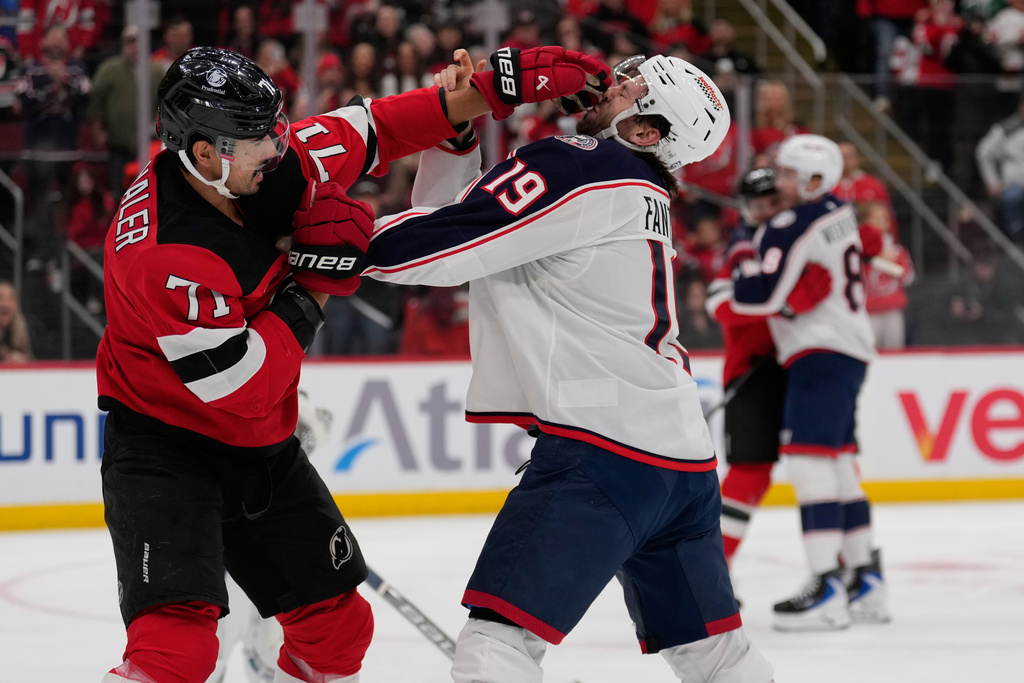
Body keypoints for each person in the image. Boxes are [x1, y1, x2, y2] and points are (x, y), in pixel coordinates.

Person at [96, 44, 610, 683]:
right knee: (176, 653)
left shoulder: (261, 161)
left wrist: (497, 89)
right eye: (259, 139)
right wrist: (313, 283)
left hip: (262, 449)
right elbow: (243, 387)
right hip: (165, 449)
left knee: (338, 634)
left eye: (275, 127)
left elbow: (381, 126)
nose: (279, 146)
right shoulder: (164, 253)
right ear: (205, 152)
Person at [354, 53, 774, 682]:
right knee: (713, 653)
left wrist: (312, 240)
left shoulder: (581, 164)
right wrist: (456, 131)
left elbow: (441, 247)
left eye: (634, 84)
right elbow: (465, 228)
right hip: (681, 461)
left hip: (600, 453)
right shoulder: (640, 189)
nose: (613, 79)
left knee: (498, 645)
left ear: (645, 131)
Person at [730, 134, 890, 631]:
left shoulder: (789, 222)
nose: (778, 188)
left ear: (814, 180)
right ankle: (866, 580)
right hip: (848, 347)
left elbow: (752, 298)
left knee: (810, 464)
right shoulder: (840, 208)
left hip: (819, 351)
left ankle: (827, 586)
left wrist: (770, 283)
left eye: (786, 177)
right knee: (839, 462)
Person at [705, 167, 832, 569]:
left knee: (824, 463)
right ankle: (713, 571)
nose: (765, 211)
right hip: (753, 375)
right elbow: (719, 305)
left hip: (804, 367)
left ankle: (846, 565)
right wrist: (785, 304)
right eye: (757, 204)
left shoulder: (797, 238)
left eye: (773, 202)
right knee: (750, 473)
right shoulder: (745, 248)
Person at [89, 25, 167, 202]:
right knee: (121, 194)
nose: (135, 47)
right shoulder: (109, 70)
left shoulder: (156, 71)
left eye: (139, 42)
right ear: (123, 44)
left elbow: (165, 104)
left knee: (149, 193)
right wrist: (98, 131)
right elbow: (96, 104)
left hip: (149, 146)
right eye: (130, 42)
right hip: (118, 146)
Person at [976, 93, 1024, 242]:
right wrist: (992, 181)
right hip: (1015, 187)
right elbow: (983, 152)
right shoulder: (1006, 129)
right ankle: (1017, 241)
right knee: (1012, 197)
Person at [0, 279, 33, 362]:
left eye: (11, 299)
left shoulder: (30, 330)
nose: (5, 304)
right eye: (0, 298)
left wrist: (24, 361)